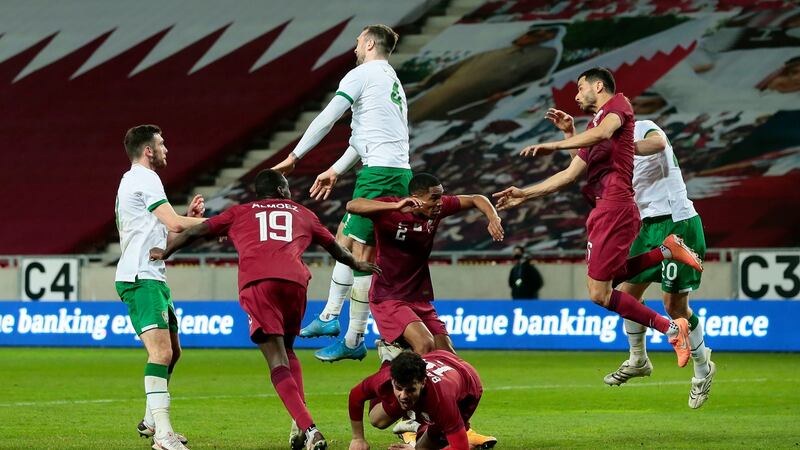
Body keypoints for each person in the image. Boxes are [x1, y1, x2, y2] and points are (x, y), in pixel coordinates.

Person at [149, 169, 380, 450]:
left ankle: (310, 429)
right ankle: (299, 422)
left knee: (276, 361)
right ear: (281, 190)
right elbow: (335, 248)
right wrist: (358, 265)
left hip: (259, 284)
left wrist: (166, 252)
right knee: (289, 351)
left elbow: (197, 230)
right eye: (287, 188)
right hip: (295, 284)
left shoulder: (240, 212)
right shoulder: (303, 213)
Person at [493, 67, 704, 368]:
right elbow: (570, 174)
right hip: (605, 208)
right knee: (604, 286)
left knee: (600, 293)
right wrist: (524, 194)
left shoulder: (618, 106)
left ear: (599, 86)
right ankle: (665, 251)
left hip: (615, 207)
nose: (576, 96)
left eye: (580, 88)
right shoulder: (595, 127)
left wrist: (554, 145)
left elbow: (607, 134)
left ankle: (672, 330)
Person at [271, 24, 411, 362]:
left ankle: (352, 336)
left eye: (358, 41)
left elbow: (326, 118)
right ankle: (331, 317)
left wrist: (294, 156)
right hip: (389, 172)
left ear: (370, 43)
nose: (355, 47)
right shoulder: (390, 79)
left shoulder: (362, 74)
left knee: (361, 253)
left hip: (381, 175)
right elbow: (365, 138)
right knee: (344, 240)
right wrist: (335, 169)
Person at [345, 172, 500, 448]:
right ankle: (412, 423)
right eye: (434, 198)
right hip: (388, 296)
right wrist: (395, 206)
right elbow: (353, 205)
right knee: (424, 344)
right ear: (415, 198)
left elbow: (477, 198)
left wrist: (493, 217)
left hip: (419, 298)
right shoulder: (391, 208)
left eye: (441, 196)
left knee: (448, 358)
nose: (440, 203)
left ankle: (457, 426)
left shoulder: (437, 209)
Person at [604, 119, 716, 408]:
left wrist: (622, 149)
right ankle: (638, 359)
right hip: (647, 227)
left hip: (677, 221)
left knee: (674, 307)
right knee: (626, 297)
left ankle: (703, 369)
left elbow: (658, 143)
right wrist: (569, 134)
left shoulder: (642, 127)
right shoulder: (609, 146)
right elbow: (583, 166)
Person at [114, 124, 206, 450]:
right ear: (148, 150)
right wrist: (221, 223)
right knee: (161, 353)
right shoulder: (145, 178)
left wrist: (188, 220)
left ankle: (151, 420)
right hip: (141, 277)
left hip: (152, 275)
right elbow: (175, 223)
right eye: (162, 144)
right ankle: (163, 436)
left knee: (173, 352)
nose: (167, 149)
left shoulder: (134, 180)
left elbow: (165, 237)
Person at [348, 351, 484, 450]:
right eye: (398, 388)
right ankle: (388, 358)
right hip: (436, 358)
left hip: (467, 385)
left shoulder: (442, 401)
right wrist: (357, 439)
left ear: (423, 382)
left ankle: (451, 430)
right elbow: (355, 395)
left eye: (410, 390)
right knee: (377, 420)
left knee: (423, 447)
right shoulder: (385, 377)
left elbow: (460, 448)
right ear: (392, 380)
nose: (403, 395)